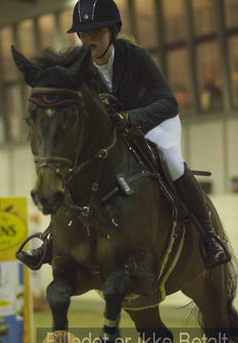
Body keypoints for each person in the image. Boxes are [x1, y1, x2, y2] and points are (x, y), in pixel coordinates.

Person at [17, 0, 230, 270]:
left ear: (112, 32)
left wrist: (130, 118)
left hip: (154, 122)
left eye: (96, 31)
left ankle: (209, 236)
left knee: (173, 162)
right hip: (115, 131)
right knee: (74, 170)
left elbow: (168, 103)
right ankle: (51, 241)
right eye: (83, 33)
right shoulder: (79, 66)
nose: (89, 38)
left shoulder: (134, 56)